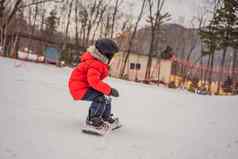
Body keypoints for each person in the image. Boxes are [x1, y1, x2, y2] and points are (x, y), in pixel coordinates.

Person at [68, 38, 120, 129]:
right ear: (105, 54)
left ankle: (105, 118)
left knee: (106, 97)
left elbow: (93, 81)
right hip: (79, 88)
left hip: (84, 86)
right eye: (112, 55)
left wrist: (108, 92)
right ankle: (93, 119)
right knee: (100, 98)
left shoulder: (98, 62)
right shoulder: (95, 64)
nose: (112, 58)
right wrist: (109, 90)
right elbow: (94, 81)